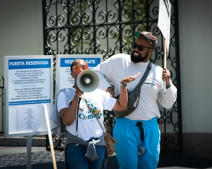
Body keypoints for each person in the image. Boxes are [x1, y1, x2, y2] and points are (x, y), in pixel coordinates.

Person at [94, 32, 177, 169]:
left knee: (149, 166)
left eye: (141, 48)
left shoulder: (158, 71)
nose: (136, 50)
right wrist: (107, 87)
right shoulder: (119, 61)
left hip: (150, 128)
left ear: (150, 51)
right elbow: (96, 72)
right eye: (135, 45)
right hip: (125, 126)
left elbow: (167, 103)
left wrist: (168, 82)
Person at [57, 59, 139, 169]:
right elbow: (67, 121)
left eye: (85, 68)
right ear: (72, 74)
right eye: (77, 68)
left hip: (98, 145)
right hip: (76, 146)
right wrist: (77, 96)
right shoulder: (65, 94)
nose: (81, 70)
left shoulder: (99, 93)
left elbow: (121, 106)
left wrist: (123, 86)